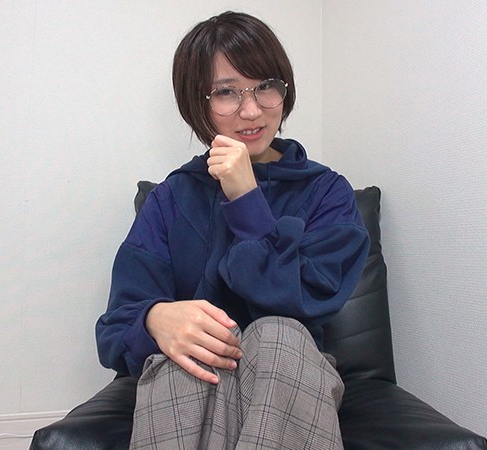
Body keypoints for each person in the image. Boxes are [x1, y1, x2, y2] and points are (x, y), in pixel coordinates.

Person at [96, 11, 370, 449]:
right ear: (197, 104)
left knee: (278, 335)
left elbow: (303, 299)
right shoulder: (171, 198)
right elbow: (115, 327)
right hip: (191, 387)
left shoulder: (326, 193)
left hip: (287, 381)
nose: (252, 110)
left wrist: (246, 199)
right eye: (226, 92)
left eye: (266, 86)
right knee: (189, 356)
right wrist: (155, 318)